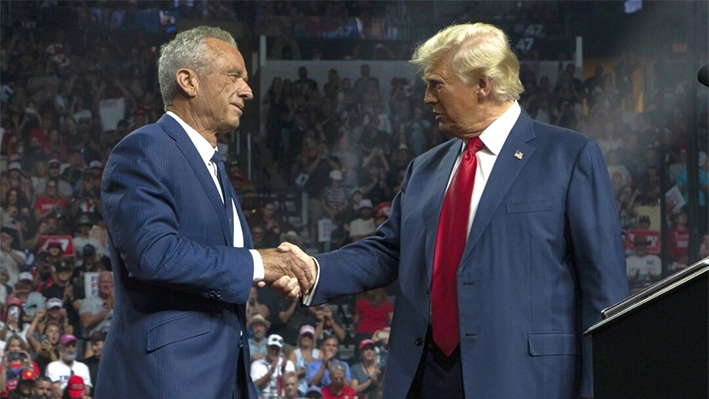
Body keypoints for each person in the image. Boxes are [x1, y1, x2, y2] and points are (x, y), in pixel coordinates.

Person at [282, 23, 628, 398]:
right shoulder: (425, 168)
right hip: (425, 377)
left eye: (437, 84)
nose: (427, 98)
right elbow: (387, 251)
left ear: (483, 84)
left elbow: (604, 291)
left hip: (526, 380)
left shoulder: (568, 156)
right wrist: (314, 270)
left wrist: (602, 388)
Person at [96, 26, 312, 399]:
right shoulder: (145, 148)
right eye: (234, 76)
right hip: (168, 379)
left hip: (226, 377)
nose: (247, 90)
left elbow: (220, 265)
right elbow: (155, 254)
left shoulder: (212, 164)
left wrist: (268, 273)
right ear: (188, 81)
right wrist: (259, 264)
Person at [249, 334, 295, 399]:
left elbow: (292, 385)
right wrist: (270, 373)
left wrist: (283, 371)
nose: (274, 351)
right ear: (267, 347)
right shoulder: (256, 364)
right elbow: (254, 387)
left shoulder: (288, 364)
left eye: (277, 348)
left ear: (281, 349)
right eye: (272, 348)